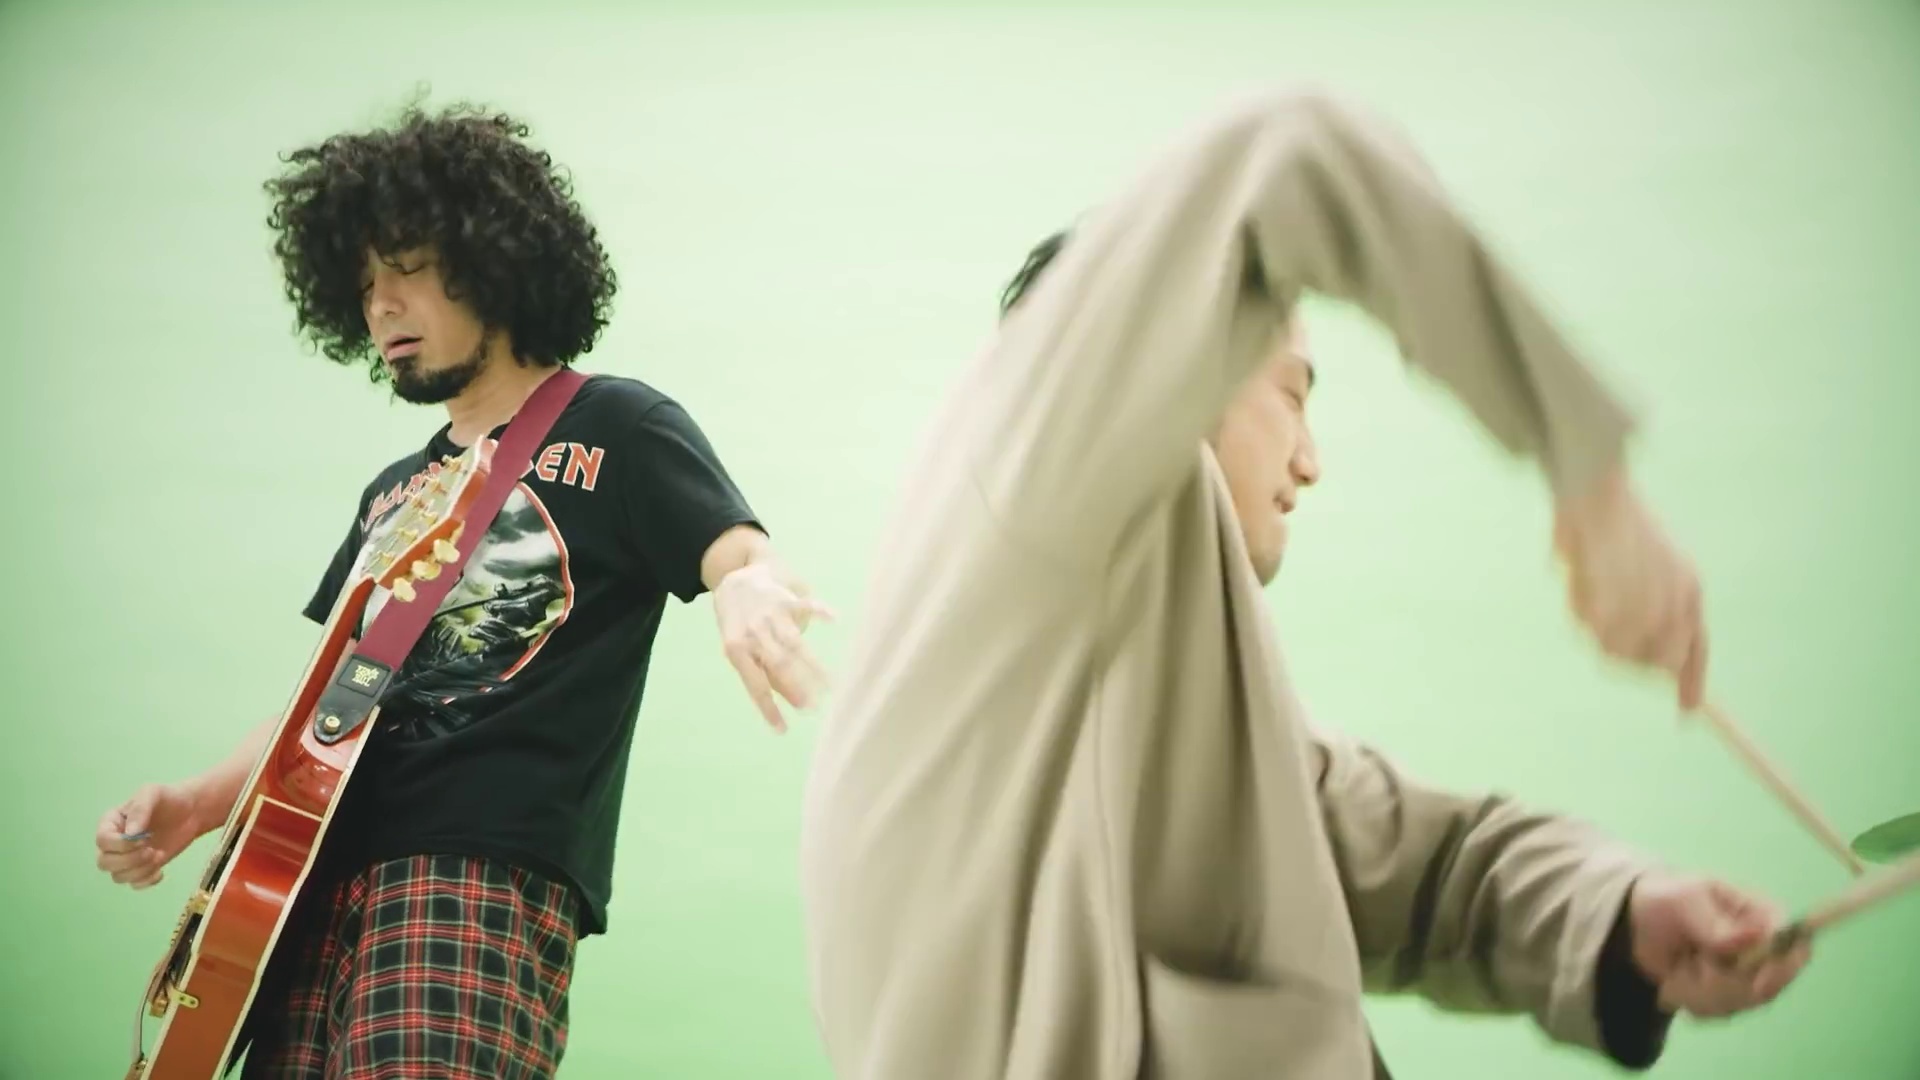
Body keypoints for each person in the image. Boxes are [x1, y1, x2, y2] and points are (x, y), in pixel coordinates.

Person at [798, 86, 1809, 1079]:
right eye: (1291, 391)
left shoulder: (1116, 689)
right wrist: (1592, 485)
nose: (1311, 460)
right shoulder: (1036, 455)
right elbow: (1293, 156)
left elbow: (1428, 867)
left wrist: (1623, 915)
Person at [93, 102, 829, 1078]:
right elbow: (329, 699)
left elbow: (737, 552)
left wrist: (747, 584)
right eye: (363, 285)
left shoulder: (619, 425)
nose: (381, 306)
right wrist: (198, 804)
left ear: (493, 260)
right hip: (306, 885)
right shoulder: (392, 493)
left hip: (475, 870)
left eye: (405, 269)